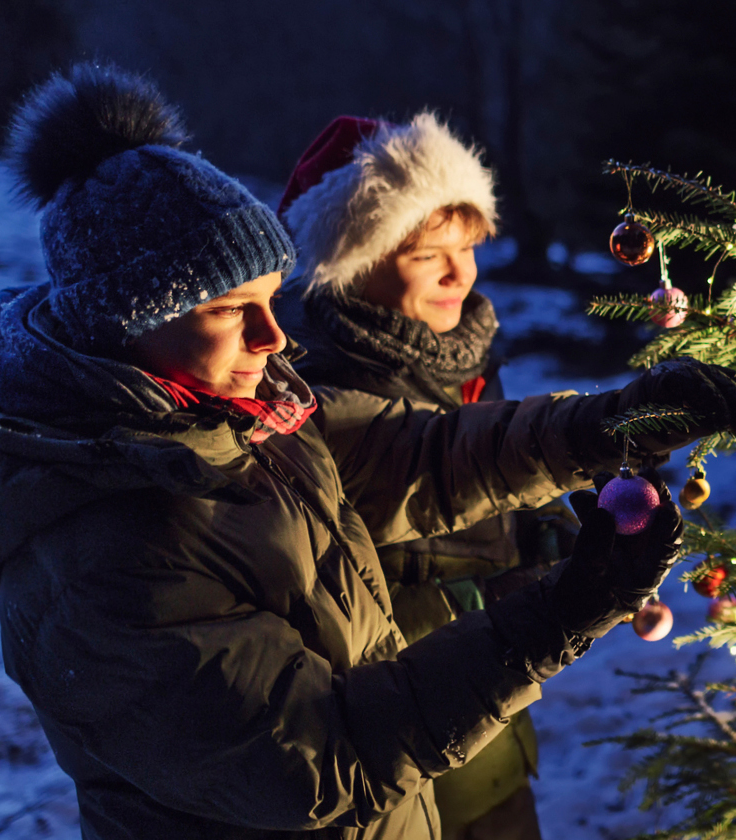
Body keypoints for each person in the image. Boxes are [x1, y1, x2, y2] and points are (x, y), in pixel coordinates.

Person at [0, 64, 736, 840]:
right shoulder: (105, 556)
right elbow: (320, 758)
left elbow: (421, 455)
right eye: (234, 310)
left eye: (269, 298)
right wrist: (559, 614)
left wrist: (614, 424)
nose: (275, 336)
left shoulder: (244, 416)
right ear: (121, 324)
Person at [274, 112, 561, 838]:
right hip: (398, 758)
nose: (460, 273)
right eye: (429, 252)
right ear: (350, 263)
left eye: (466, 246)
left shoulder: (462, 361)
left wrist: (546, 532)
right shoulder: (314, 399)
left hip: (492, 741)